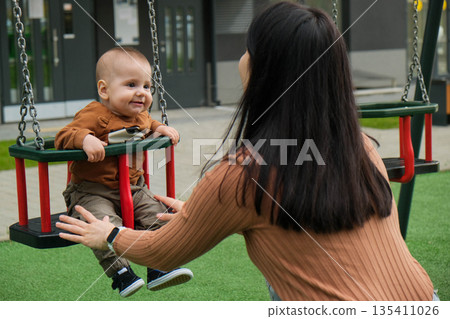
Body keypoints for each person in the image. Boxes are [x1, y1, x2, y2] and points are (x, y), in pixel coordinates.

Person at [57, 2, 438, 301]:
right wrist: (201, 217)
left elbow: (164, 252)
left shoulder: (242, 176)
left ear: (263, 69)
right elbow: (303, 217)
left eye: (248, 48)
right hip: (424, 300)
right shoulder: (361, 149)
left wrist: (108, 236)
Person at [55, 47, 193, 298]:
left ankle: (158, 267)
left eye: (147, 86)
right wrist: (85, 139)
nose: (141, 92)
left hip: (133, 187)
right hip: (91, 190)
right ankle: (121, 273)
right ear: (104, 90)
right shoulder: (93, 114)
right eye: (131, 84)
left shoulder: (140, 115)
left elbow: (148, 123)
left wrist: (160, 127)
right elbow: (63, 135)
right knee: (103, 225)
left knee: (158, 216)